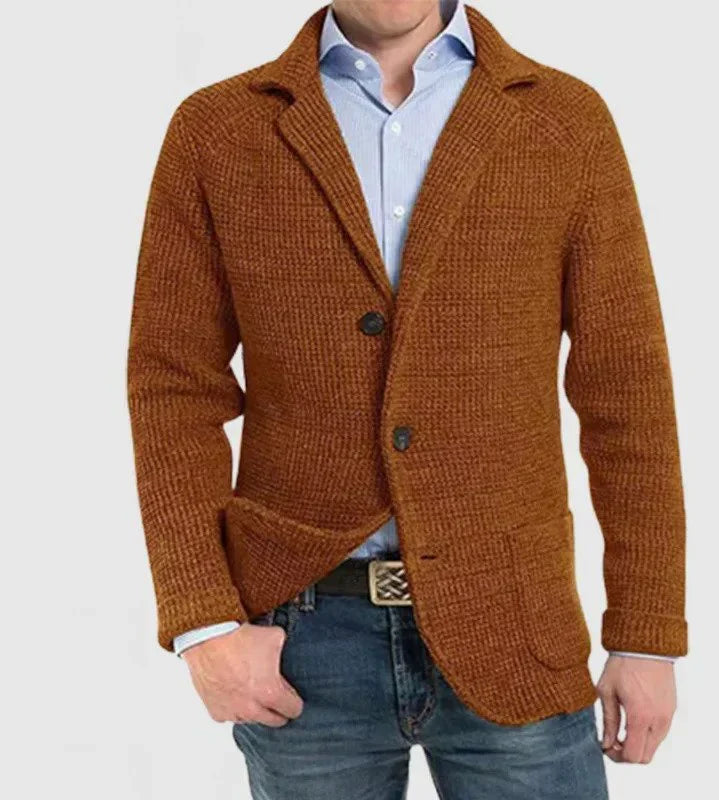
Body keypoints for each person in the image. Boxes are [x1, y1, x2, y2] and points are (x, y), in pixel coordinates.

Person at [127, 1, 687, 797]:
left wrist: (646, 631)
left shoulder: (563, 120)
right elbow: (172, 387)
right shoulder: (218, 130)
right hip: (302, 641)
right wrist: (203, 621)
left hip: (515, 625)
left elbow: (625, 387)